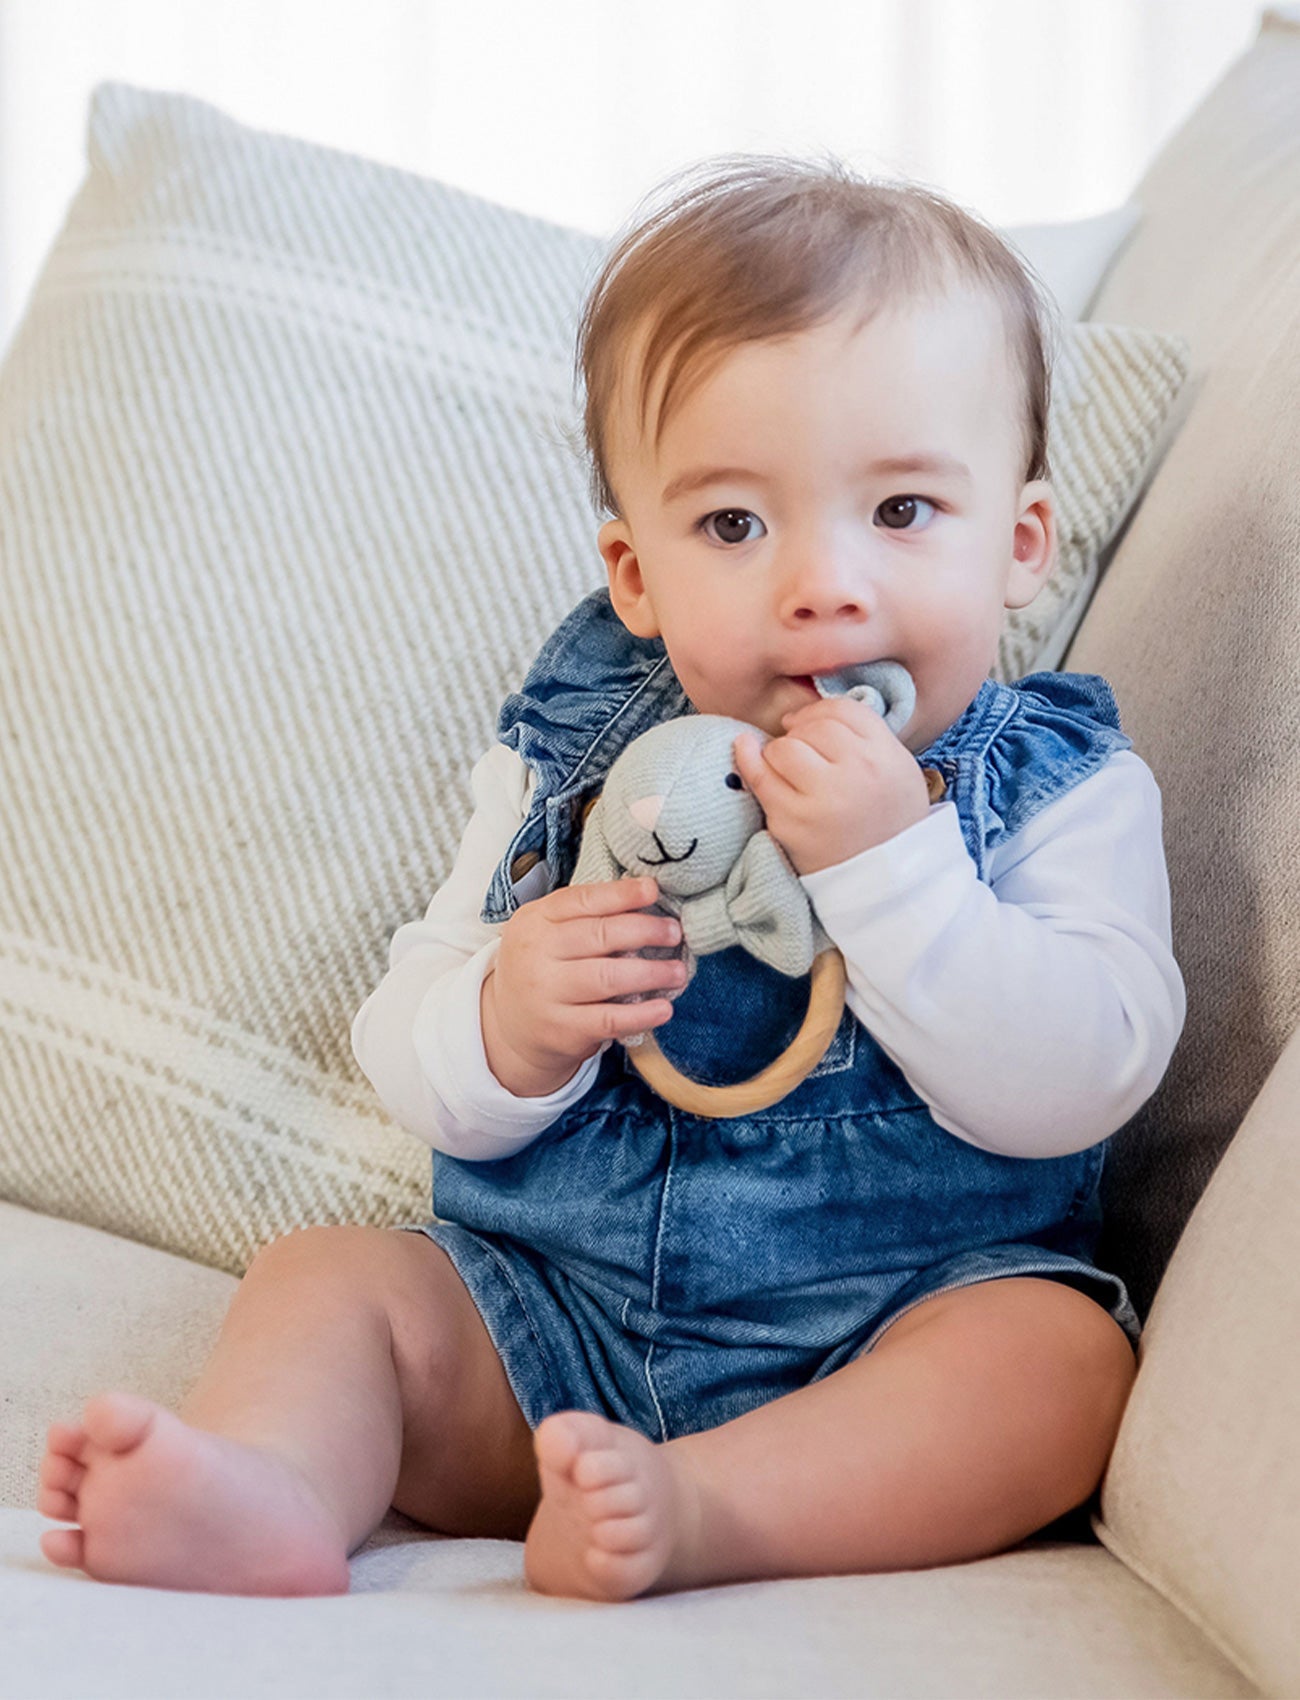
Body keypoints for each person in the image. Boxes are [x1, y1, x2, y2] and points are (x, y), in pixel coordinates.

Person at [35, 156, 1185, 1604]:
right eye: (734, 526)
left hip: (890, 1340)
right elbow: (411, 1039)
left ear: (1020, 545)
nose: (821, 585)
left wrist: (898, 870)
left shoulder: (1060, 785)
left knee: (1060, 1364)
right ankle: (271, 1483)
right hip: (551, 1337)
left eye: (901, 512)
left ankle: (705, 1511)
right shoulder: (577, 753)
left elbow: (1085, 1077)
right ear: (635, 575)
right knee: (330, 1279)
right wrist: (507, 1023)